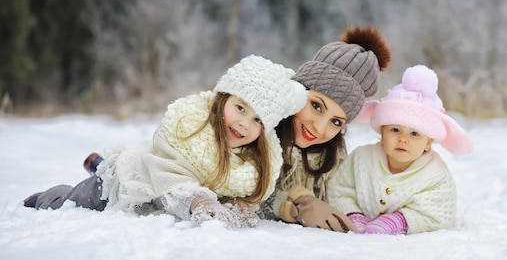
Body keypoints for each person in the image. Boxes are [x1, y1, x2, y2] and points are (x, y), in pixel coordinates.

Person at [23, 55, 308, 229]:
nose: (244, 123)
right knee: (77, 200)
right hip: (126, 183)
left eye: (258, 120)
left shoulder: (253, 161)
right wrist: (198, 203)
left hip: (149, 186)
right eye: (241, 108)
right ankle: (57, 192)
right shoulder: (190, 128)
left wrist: (241, 211)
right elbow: (168, 177)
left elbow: (243, 197)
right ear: (223, 97)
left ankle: (93, 163)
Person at [257, 25, 393, 232]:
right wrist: (290, 204)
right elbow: (232, 192)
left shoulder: (333, 156)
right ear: (298, 92)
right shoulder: (257, 127)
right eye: (316, 106)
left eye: (336, 121)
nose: (319, 128)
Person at [326, 64, 473, 234]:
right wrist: (352, 213)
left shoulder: (435, 175)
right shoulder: (361, 159)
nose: (403, 139)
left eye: (414, 134)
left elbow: (440, 211)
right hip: (356, 218)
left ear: (428, 143)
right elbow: (339, 189)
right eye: (395, 130)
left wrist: (399, 220)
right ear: (382, 133)